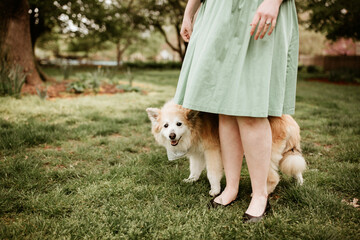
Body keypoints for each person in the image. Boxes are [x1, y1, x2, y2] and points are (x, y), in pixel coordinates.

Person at [173, 0, 299, 222]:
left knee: (252, 109)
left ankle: (260, 194)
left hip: (257, 9)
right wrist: (188, 12)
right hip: (217, 13)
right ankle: (231, 187)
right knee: (225, 108)